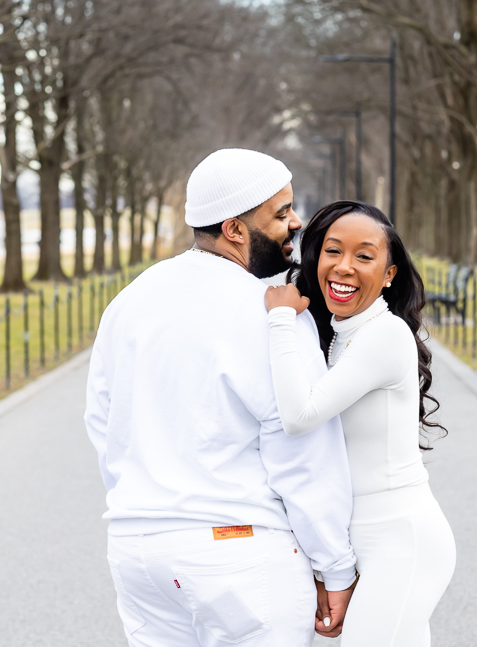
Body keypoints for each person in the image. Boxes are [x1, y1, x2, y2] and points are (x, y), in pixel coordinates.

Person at [84, 149, 358, 647]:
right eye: (280, 214)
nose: (295, 223)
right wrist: (334, 567)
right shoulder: (272, 315)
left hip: (138, 550)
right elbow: (302, 451)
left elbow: (103, 424)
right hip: (237, 555)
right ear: (234, 229)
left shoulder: (129, 302)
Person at [265, 200, 456, 647]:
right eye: (333, 251)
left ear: (389, 274)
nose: (344, 267)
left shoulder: (385, 335)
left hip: (401, 538)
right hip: (365, 540)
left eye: (364, 256)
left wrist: (279, 319)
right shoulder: (342, 332)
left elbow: (300, 416)